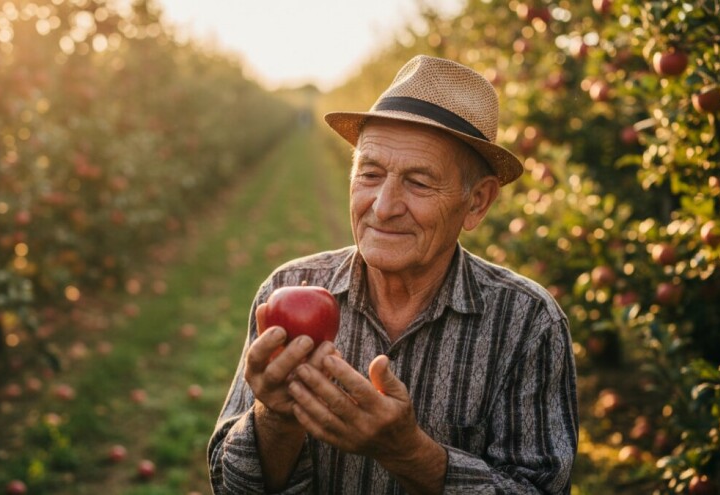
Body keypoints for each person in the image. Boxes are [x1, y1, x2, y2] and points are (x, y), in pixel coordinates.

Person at [207, 55, 578, 494]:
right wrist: (277, 417)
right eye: (370, 173)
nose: (383, 207)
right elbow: (230, 485)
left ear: (477, 202)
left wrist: (409, 453)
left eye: (419, 182)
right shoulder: (285, 290)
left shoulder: (527, 323)